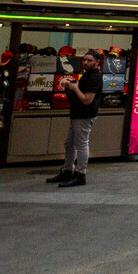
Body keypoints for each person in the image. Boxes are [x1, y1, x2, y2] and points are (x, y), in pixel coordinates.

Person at [48, 51, 104, 188]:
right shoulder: (88, 75)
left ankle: (80, 174)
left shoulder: (94, 77)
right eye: (84, 60)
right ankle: (68, 170)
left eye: (90, 60)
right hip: (78, 113)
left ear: (97, 62)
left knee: (81, 143)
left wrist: (75, 88)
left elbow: (87, 100)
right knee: (70, 143)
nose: (85, 63)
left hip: (84, 114)